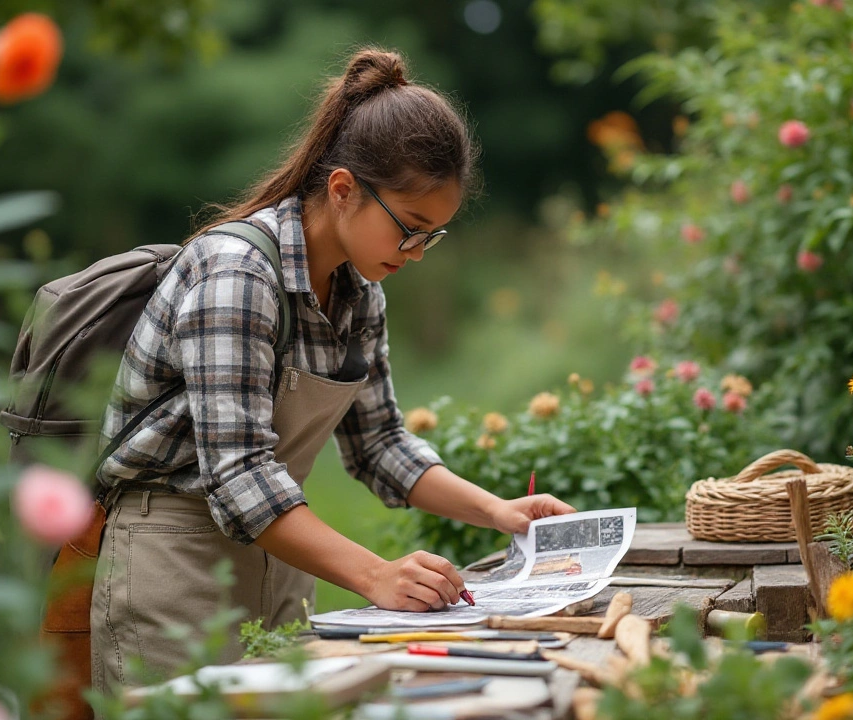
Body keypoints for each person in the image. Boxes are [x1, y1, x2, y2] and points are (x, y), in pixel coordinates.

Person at [88, 46, 576, 689]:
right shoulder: (236, 274)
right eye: (411, 228)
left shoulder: (359, 292)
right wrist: (378, 576)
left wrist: (499, 512)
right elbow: (238, 477)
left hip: (282, 562)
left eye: (433, 236)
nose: (418, 253)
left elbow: (379, 444)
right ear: (344, 190)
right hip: (172, 568)